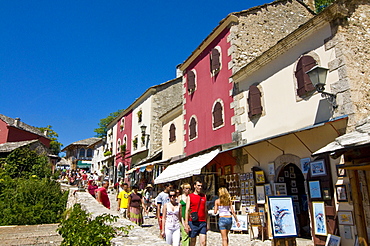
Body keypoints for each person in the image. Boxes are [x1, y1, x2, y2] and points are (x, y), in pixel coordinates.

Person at [185, 180, 208, 246]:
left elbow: (205, 210)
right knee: (192, 241)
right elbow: (187, 210)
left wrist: (207, 222)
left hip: (202, 222)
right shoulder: (190, 196)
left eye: (201, 186)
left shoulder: (204, 196)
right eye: (198, 185)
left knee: (203, 243)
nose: (200, 187)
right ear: (194, 186)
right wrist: (186, 224)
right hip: (193, 222)